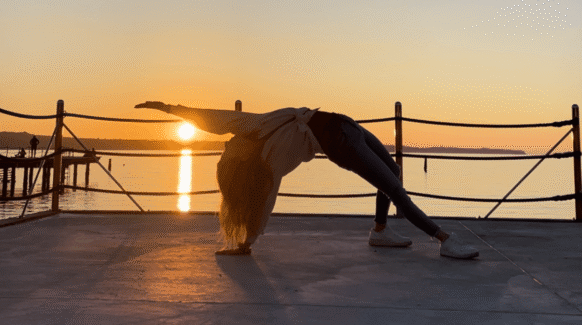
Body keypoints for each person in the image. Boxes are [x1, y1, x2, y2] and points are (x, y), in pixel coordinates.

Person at [135, 102, 479, 260]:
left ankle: (379, 231)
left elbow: (213, 117)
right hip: (339, 142)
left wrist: (169, 108)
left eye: (225, 146)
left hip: (347, 124)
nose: (226, 144)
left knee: (394, 174)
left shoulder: (251, 125)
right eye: (228, 151)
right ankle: (443, 239)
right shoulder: (269, 163)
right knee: (395, 188)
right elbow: (264, 201)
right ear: (239, 160)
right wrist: (245, 242)